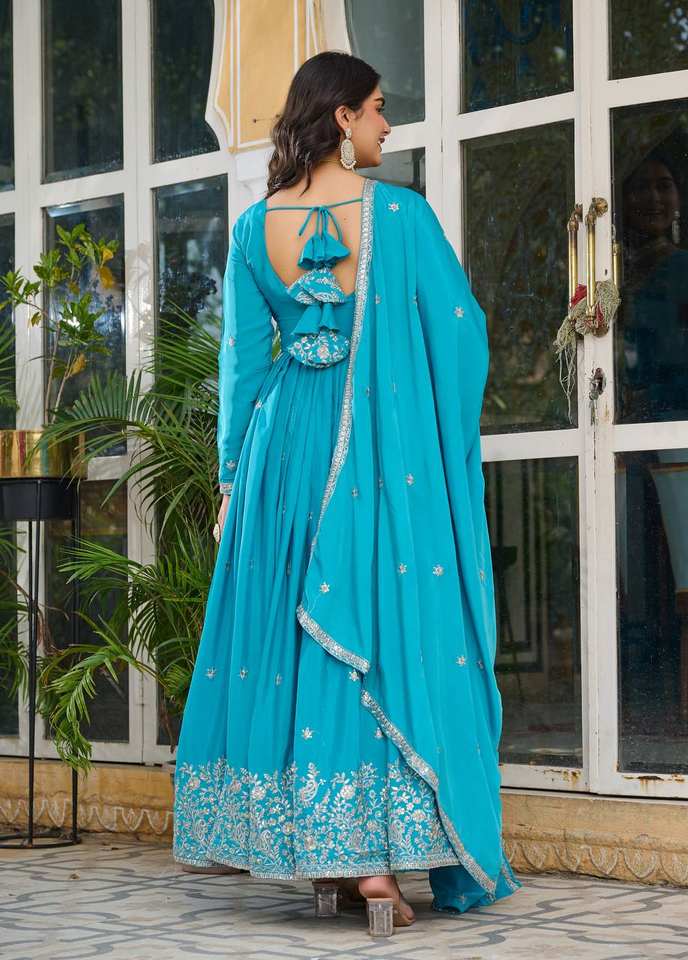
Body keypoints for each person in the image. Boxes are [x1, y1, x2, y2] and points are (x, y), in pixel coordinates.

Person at [172, 50, 522, 930]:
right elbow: (460, 334)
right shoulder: (398, 217)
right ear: (341, 118)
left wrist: (230, 480)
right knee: (381, 630)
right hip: (376, 448)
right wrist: (429, 422)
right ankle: (375, 870)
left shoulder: (254, 229)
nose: (385, 125)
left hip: (282, 452)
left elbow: (242, 366)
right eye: (375, 108)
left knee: (304, 638)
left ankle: (332, 859)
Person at [618, 149, 688, 422]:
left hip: (685, 430)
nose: (653, 197)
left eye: (664, 186)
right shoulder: (611, 274)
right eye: (641, 187)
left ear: (678, 199)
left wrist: (649, 400)